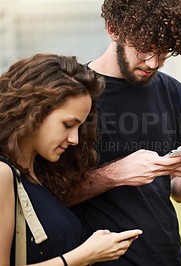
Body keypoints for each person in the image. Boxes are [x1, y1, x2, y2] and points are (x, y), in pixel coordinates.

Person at [69, 0, 181, 265]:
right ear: (113, 29)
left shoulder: (174, 92)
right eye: (144, 50)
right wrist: (115, 174)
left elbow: (179, 192)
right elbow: (48, 193)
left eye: (164, 52)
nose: (154, 63)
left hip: (166, 256)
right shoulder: (72, 92)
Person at [0, 53, 143, 265]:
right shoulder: (3, 173)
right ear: (33, 111)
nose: (75, 139)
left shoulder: (37, 173)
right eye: (68, 125)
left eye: (79, 127)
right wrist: (85, 255)